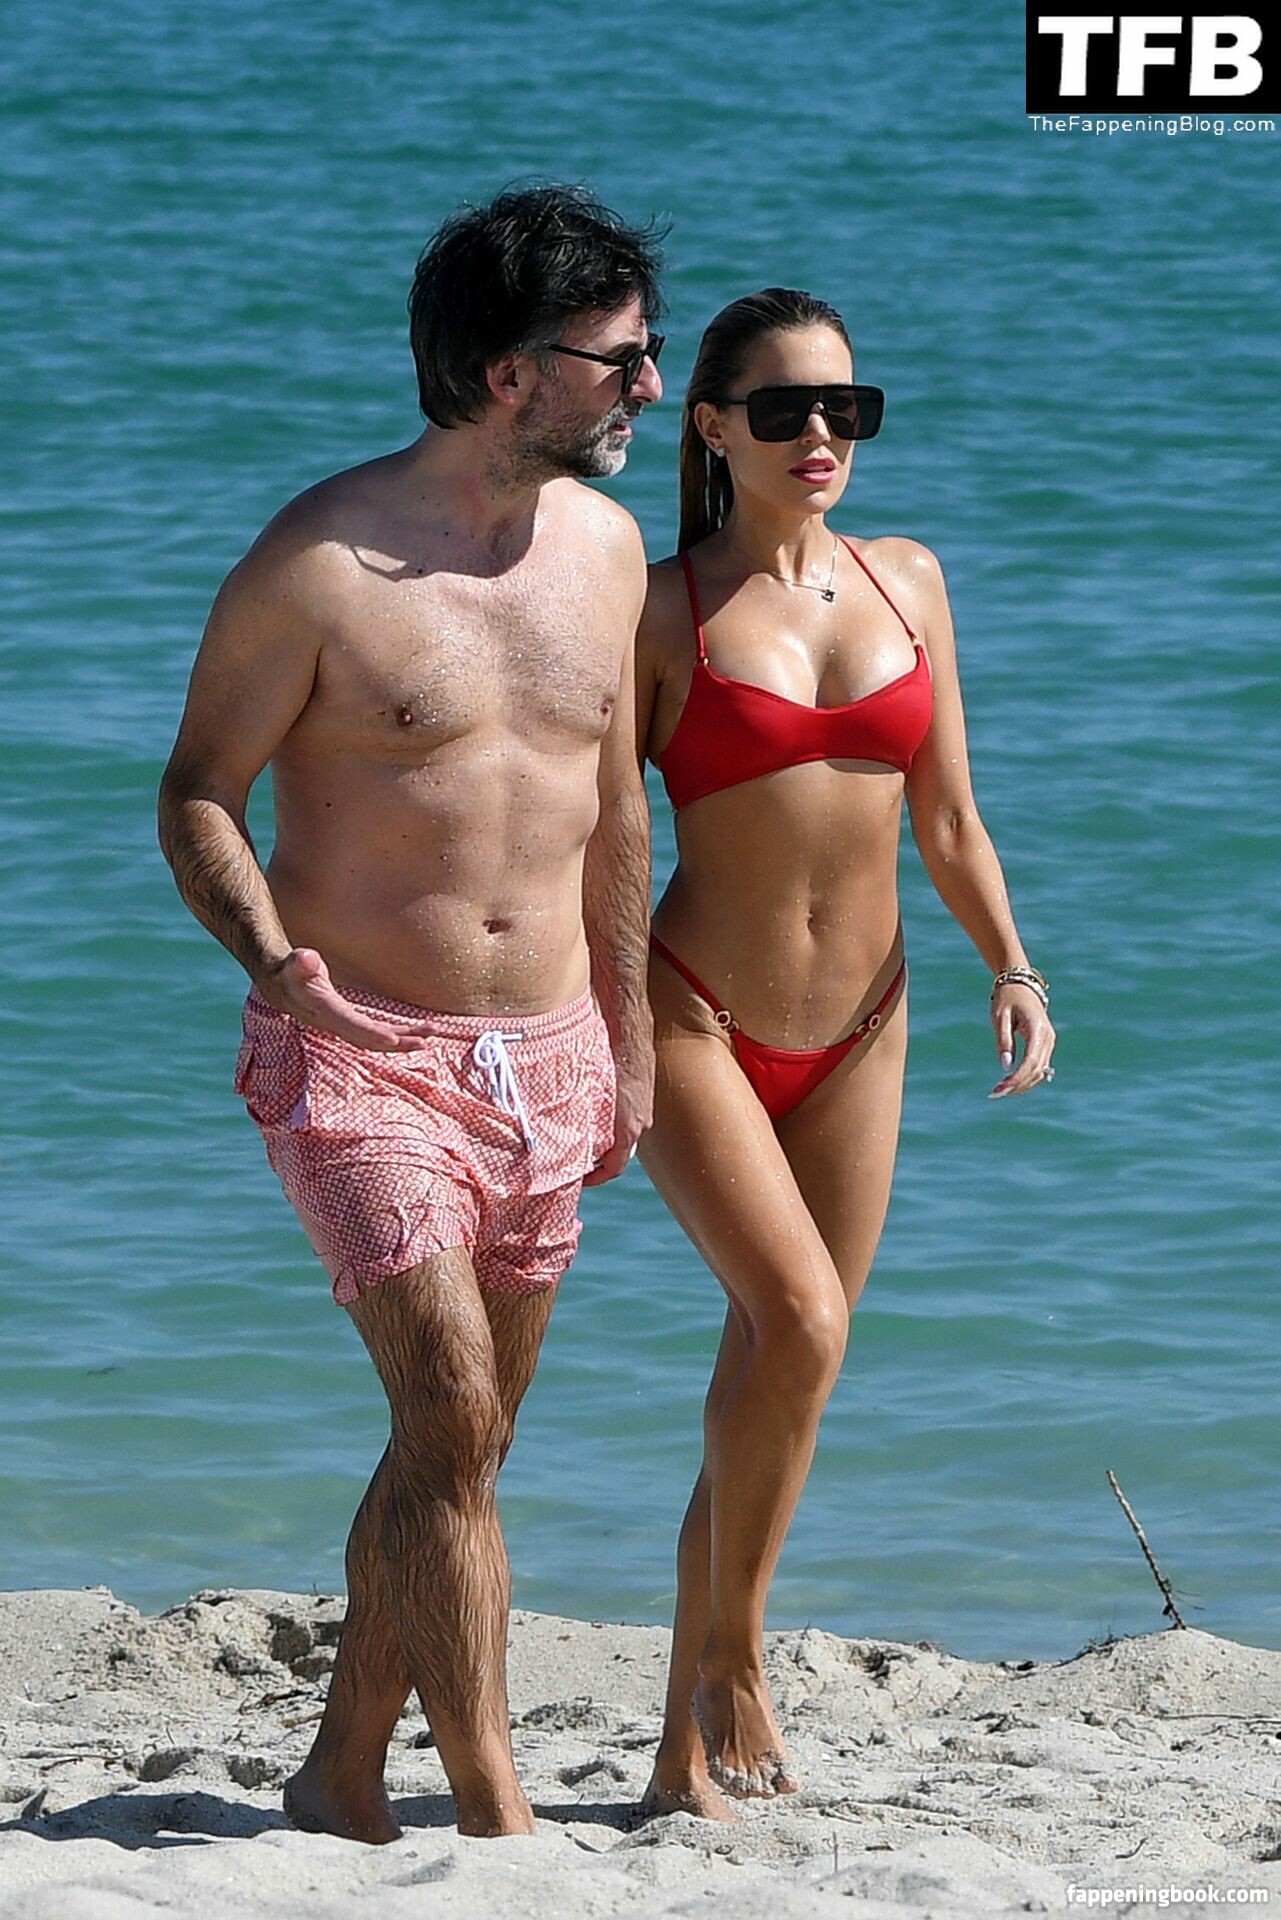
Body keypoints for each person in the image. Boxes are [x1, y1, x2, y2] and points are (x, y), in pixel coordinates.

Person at [157, 185, 663, 1843]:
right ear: (511, 374)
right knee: (450, 1413)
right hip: (360, 1049)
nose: (650, 388)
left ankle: (338, 1772)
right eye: (619, 359)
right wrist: (267, 958)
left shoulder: (605, 552)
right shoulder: (315, 566)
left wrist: (630, 1037)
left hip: (554, 1054)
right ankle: (494, 1806)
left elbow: (616, 806)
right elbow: (197, 791)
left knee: (466, 1445)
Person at [633, 288, 1056, 1821]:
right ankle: (735, 1655)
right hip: (691, 1014)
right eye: (783, 409)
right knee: (800, 1326)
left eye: (846, 408)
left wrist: (1010, 963)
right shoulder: (659, 608)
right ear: (710, 426)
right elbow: (594, 833)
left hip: (866, 1025)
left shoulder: (908, 579)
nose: (820, 434)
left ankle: (679, 1754)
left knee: (776, 1369)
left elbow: (946, 816)